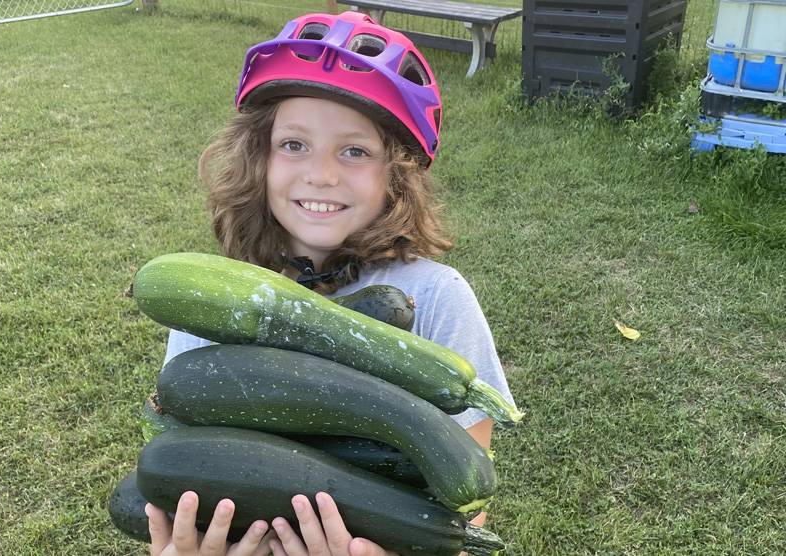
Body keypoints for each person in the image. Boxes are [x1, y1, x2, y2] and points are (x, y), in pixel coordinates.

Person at [144, 10, 517, 556]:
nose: (322, 173)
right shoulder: (211, 298)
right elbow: (184, 452)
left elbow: (461, 501)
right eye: (294, 144)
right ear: (259, 156)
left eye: (355, 150)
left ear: (398, 172)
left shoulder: (438, 297)